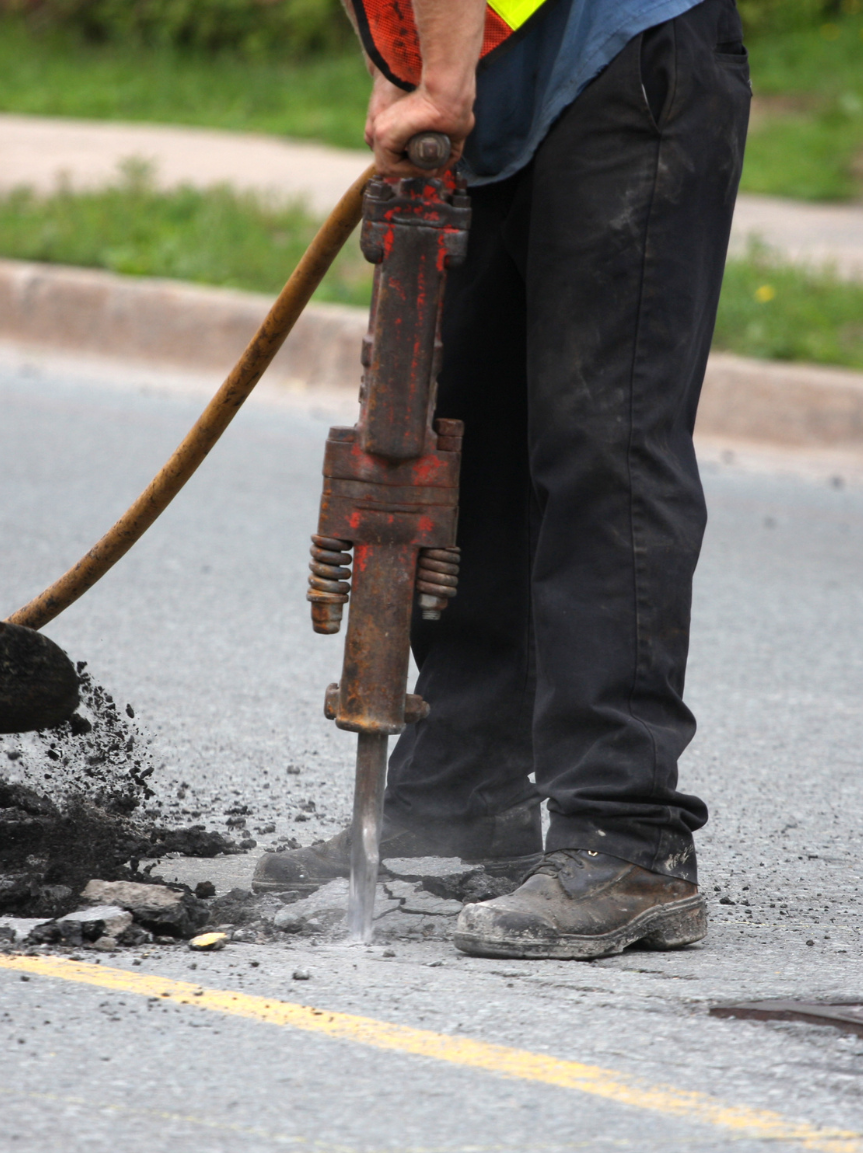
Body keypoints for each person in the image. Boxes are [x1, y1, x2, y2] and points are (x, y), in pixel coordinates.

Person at [253, 0, 752, 959]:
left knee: (606, 442)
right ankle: (465, 799)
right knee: (471, 435)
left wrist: (436, 84)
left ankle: (628, 835)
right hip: (506, 73)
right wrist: (408, 78)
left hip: (619, 61)